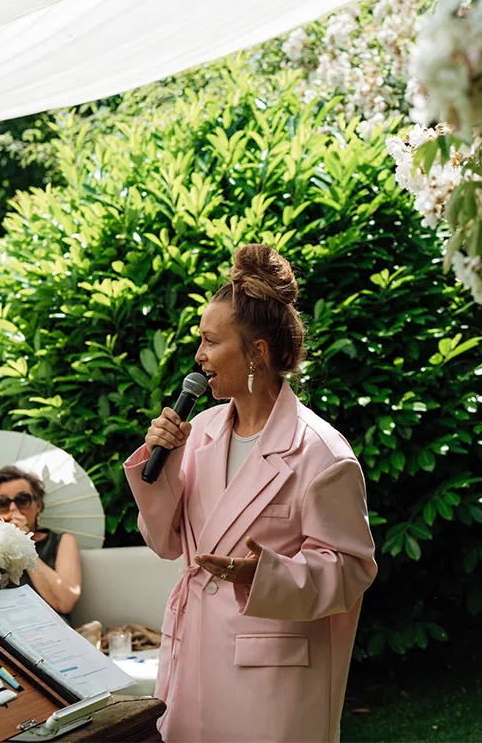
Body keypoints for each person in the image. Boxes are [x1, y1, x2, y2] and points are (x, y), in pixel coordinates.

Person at [124, 244, 377, 742]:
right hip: (193, 650)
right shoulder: (201, 431)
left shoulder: (320, 453)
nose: (198, 356)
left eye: (211, 342)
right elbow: (166, 544)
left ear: (257, 353)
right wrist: (164, 465)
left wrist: (266, 575)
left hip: (269, 673)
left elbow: (352, 568)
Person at [0, 465, 82, 617]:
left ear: (38, 505)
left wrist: (24, 543)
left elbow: (65, 602)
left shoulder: (62, 541)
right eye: (3, 503)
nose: (13, 508)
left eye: (22, 500)